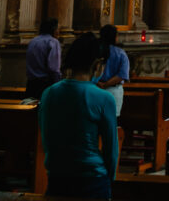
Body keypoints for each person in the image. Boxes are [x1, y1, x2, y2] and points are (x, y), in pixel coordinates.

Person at [39, 32, 118, 199]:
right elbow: (111, 150)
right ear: (97, 64)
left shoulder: (49, 93)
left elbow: (47, 140)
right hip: (92, 180)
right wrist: (109, 181)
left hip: (57, 178)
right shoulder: (103, 98)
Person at [95, 24, 130, 117]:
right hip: (114, 90)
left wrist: (99, 83)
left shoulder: (95, 51)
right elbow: (122, 75)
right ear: (114, 37)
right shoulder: (121, 53)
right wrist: (106, 85)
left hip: (95, 88)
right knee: (111, 120)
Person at [26, 17, 62, 100]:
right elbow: (54, 68)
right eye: (58, 29)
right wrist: (58, 85)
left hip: (31, 83)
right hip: (46, 84)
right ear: (53, 29)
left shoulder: (33, 41)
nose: (58, 31)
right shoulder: (53, 42)